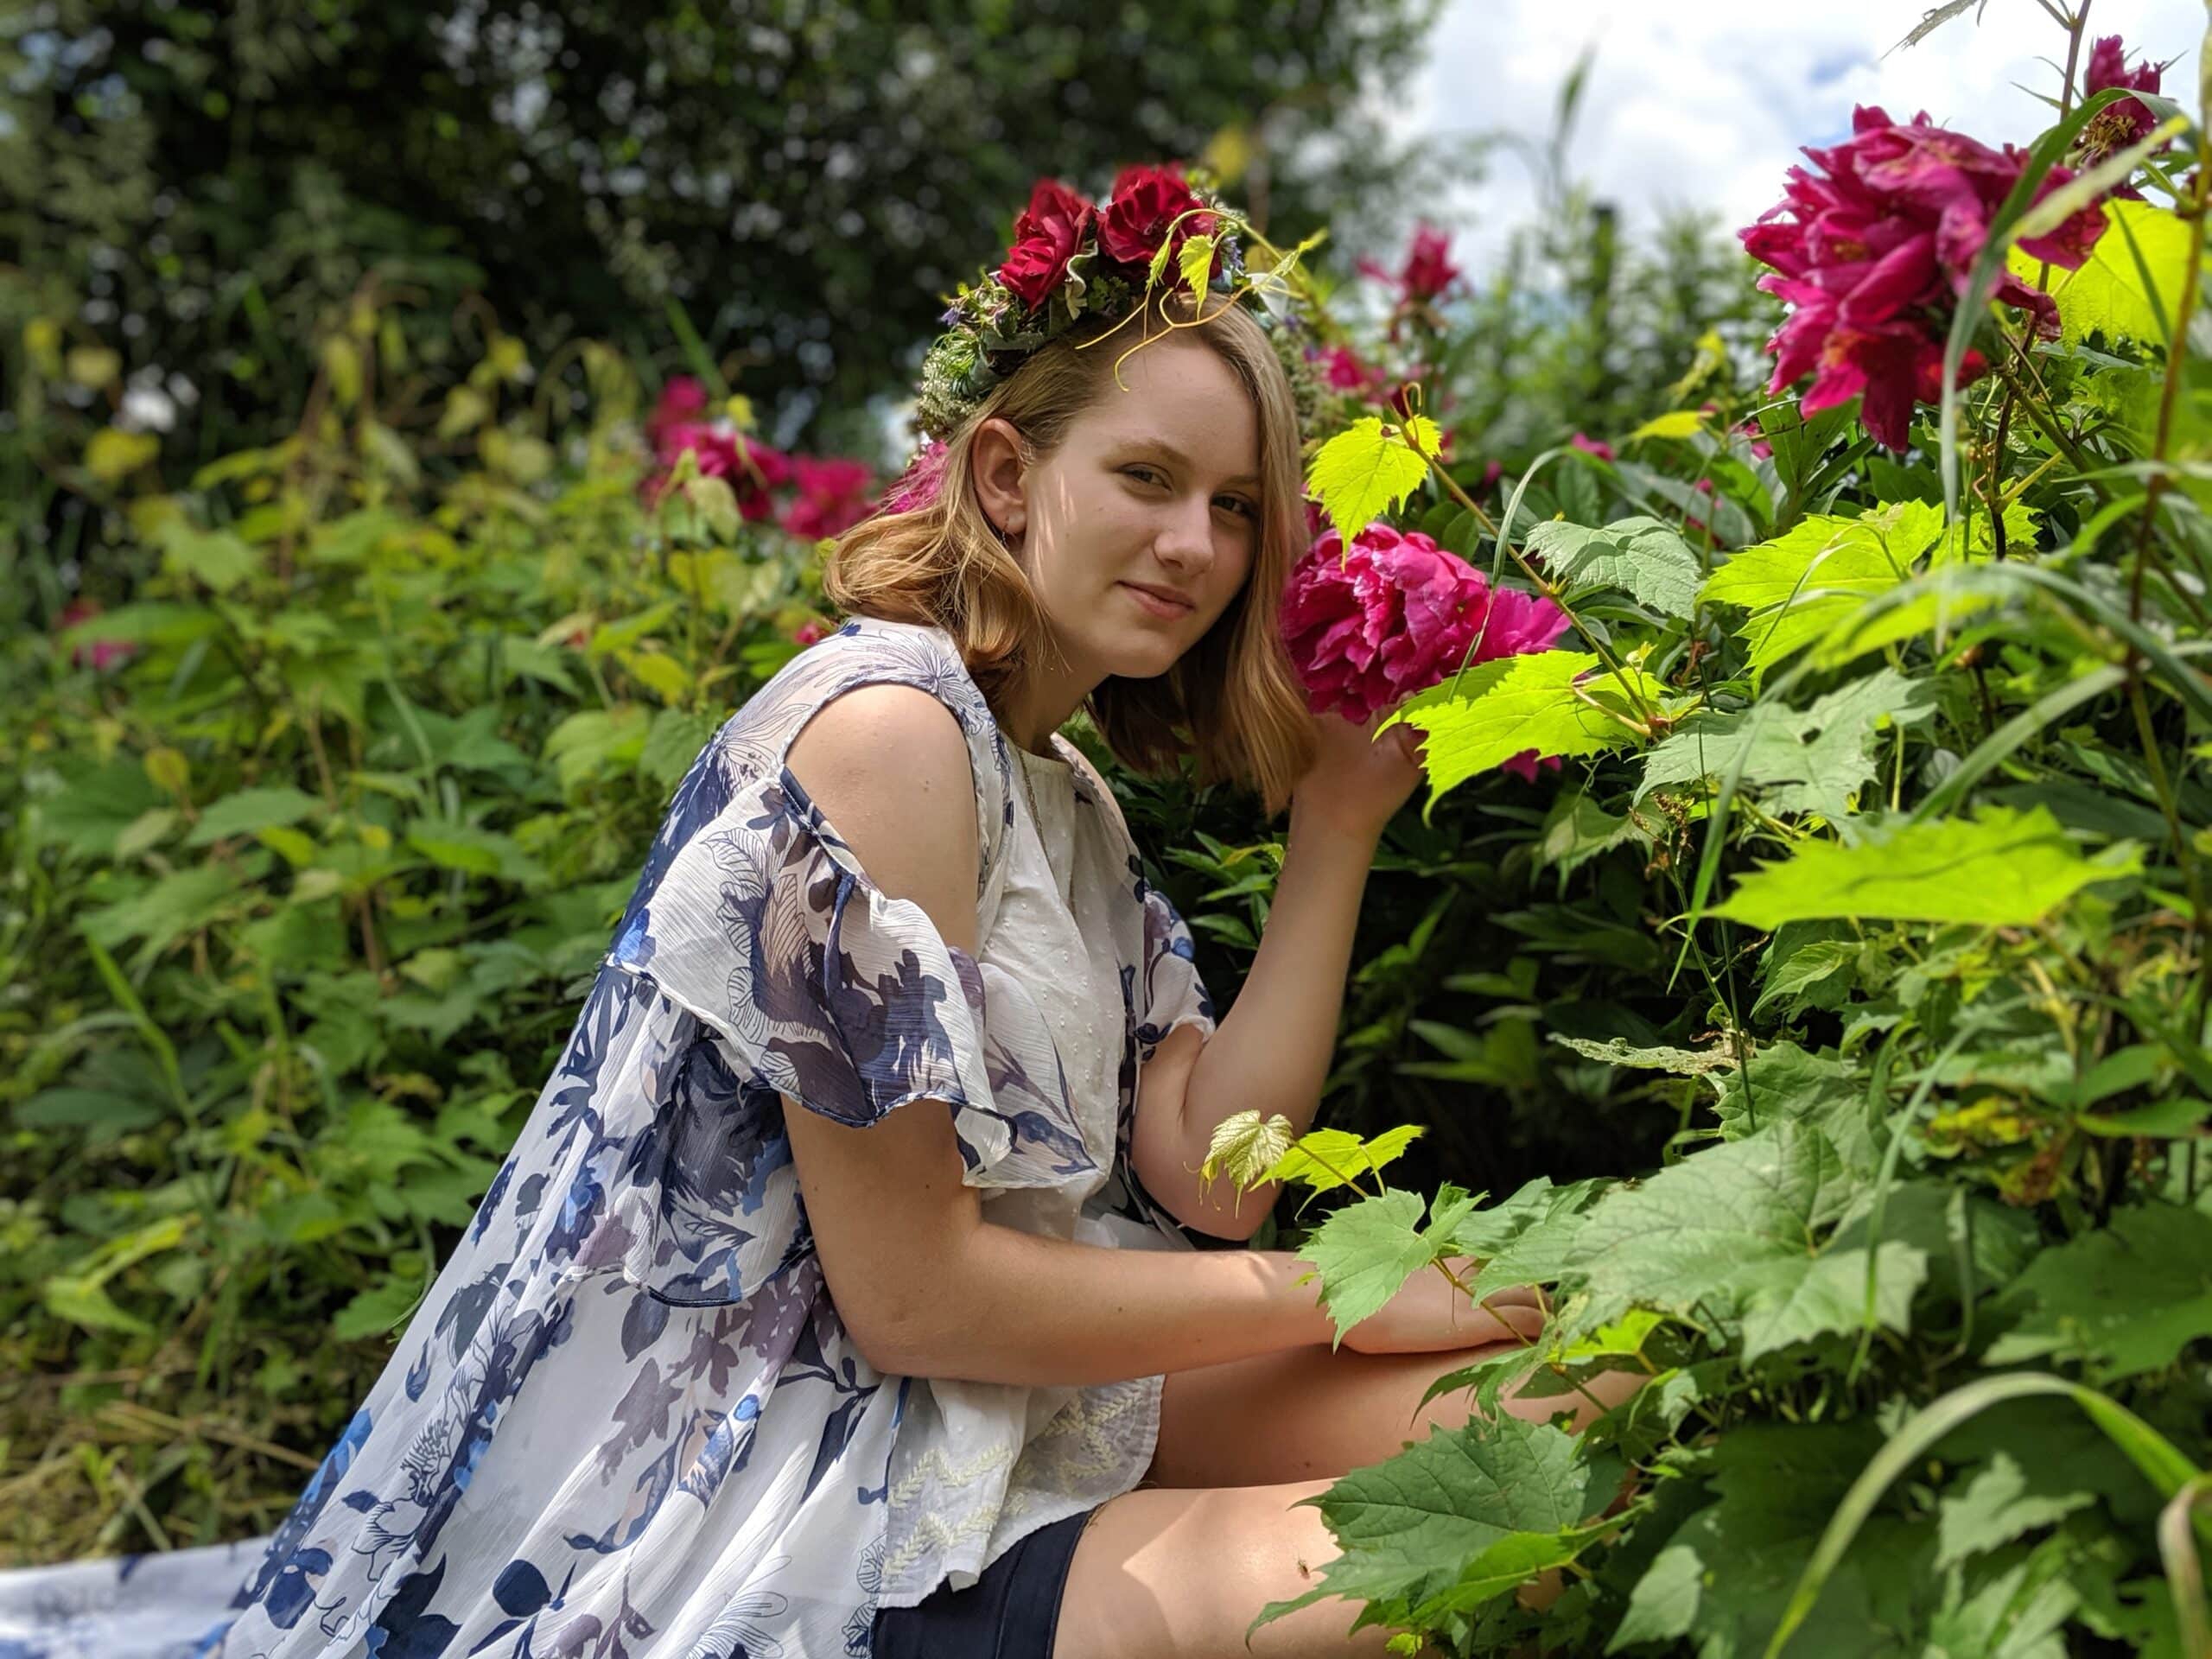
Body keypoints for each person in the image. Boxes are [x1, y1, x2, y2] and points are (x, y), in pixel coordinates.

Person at [0, 168, 1628, 1659]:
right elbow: (912, 1296)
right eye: (1145, 477)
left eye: (1237, 507)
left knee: (1592, 1415)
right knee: (1472, 1558)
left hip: (978, 1427)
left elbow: (1214, 1176)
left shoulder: (1062, 796)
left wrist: (1340, 824)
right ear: (1005, 472)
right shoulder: (887, 733)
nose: (1195, 544)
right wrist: (1342, 1296)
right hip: (772, 1498)